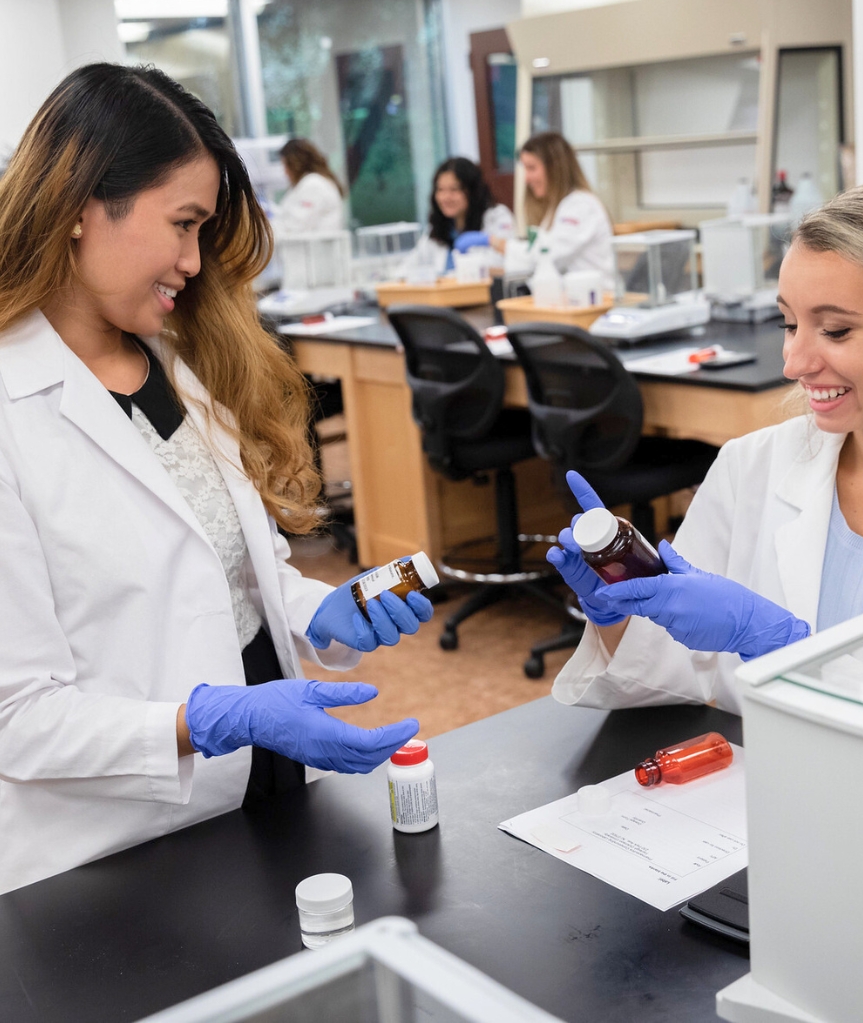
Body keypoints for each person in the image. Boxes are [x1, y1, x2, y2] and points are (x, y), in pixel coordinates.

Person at [0, 63, 434, 893]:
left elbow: (245, 574)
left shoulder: (179, 361)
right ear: (85, 206)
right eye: (184, 224)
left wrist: (327, 614)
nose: (197, 261)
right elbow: (16, 720)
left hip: (263, 785)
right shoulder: (11, 409)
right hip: (114, 848)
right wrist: (201, 720)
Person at [547, 179, 863, 713]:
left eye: (835, 330)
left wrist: (777, 641)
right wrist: (622, 609)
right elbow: (681, 675)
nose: (793, 363)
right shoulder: (750, 467)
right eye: (789, 323)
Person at [519, 131, 614, 282]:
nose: (527, 178)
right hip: (572, 298)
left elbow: (548, 255)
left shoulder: (580, 205)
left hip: (595, 299)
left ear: (554, 167)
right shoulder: (557, 207)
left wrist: (499, 244)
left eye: (532, 168)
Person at [401, 157, 515, 275]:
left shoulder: (496, 217)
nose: (446, 197)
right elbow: (408, 267)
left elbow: (506, 262)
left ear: (472, 191)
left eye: (454, 189)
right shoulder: (438, 229)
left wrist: (485, 242)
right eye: (440, 190)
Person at [275, 138, 346, 234]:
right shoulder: (312, 182)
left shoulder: (314, 184)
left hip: (315, 248)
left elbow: (294, 226)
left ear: (295, 163)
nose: (285, 172)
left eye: (285, 165)